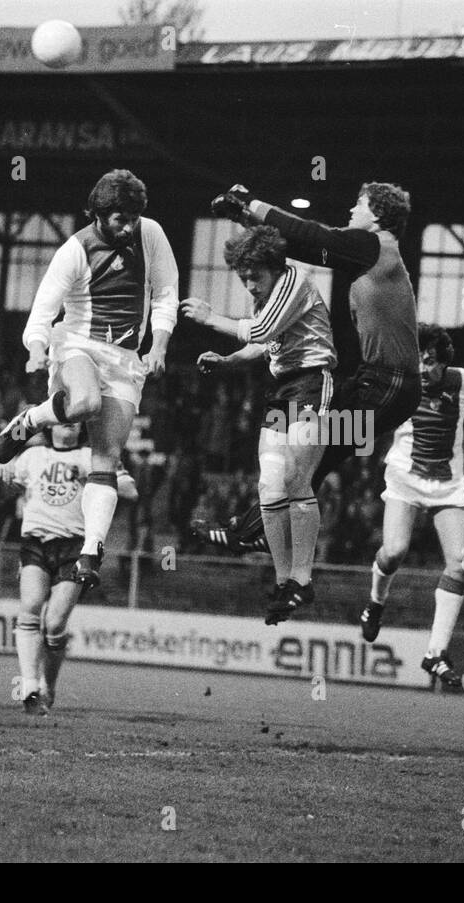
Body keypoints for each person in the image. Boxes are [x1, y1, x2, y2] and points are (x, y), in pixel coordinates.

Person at [192, 181, 422, 554]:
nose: (351, 212)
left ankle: (256, 531)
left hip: (389, 385)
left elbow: (313, 235)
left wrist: (251, 203)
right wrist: (245, 219)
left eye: (358, 205)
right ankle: (256, 528)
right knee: (312, 456)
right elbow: (302, 247)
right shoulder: (372, 252)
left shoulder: (376, 245)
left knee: (313, 454)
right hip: (382, 385)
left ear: (377, 215)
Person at [0, 169, 176, 590]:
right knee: (85, 404)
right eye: (120, 219)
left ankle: (91, 550)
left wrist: (161, 344)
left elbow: (166, 292)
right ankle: (32, 419)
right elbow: (43, 309)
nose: (129, 226)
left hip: (126, 359)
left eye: (134, 217)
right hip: (77, 342)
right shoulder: (75, 250)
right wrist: (37, 349)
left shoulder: (151, 234)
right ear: (98, 214)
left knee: (107, 457)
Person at [183, 225, 336, 622]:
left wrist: (209, 317)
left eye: (256, 276)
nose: (250, 285)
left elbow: (264, 330)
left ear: (274, 267)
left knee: (298, 481)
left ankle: (303, 578)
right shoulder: (268, 296)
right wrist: (228, 360)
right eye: (244, 277)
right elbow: (264, 343)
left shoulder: (294, 281)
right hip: (282, 388)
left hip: (311, 381)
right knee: (269, 485)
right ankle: (284, 581)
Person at [358, 325, 464, 686]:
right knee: (394, 552)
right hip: (405, 481)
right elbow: (366, 420)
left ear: (444, 360)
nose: (422, 367)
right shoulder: (399, 383)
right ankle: (375, 601)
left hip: (449, 488)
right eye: (417, 359)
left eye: (430, 361)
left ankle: (435, 654)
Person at [0, 423, 91, 715]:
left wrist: (92, 477)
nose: (69, 421)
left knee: (54, 624)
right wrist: (5, 469)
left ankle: (48, 686)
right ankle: (29, 688)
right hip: (36, 540)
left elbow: (129, 489)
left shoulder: (91, 456)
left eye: (76, 420)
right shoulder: (31, 455)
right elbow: (0, 486)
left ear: (81, 429)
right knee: (30, 604)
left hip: (74, 546)